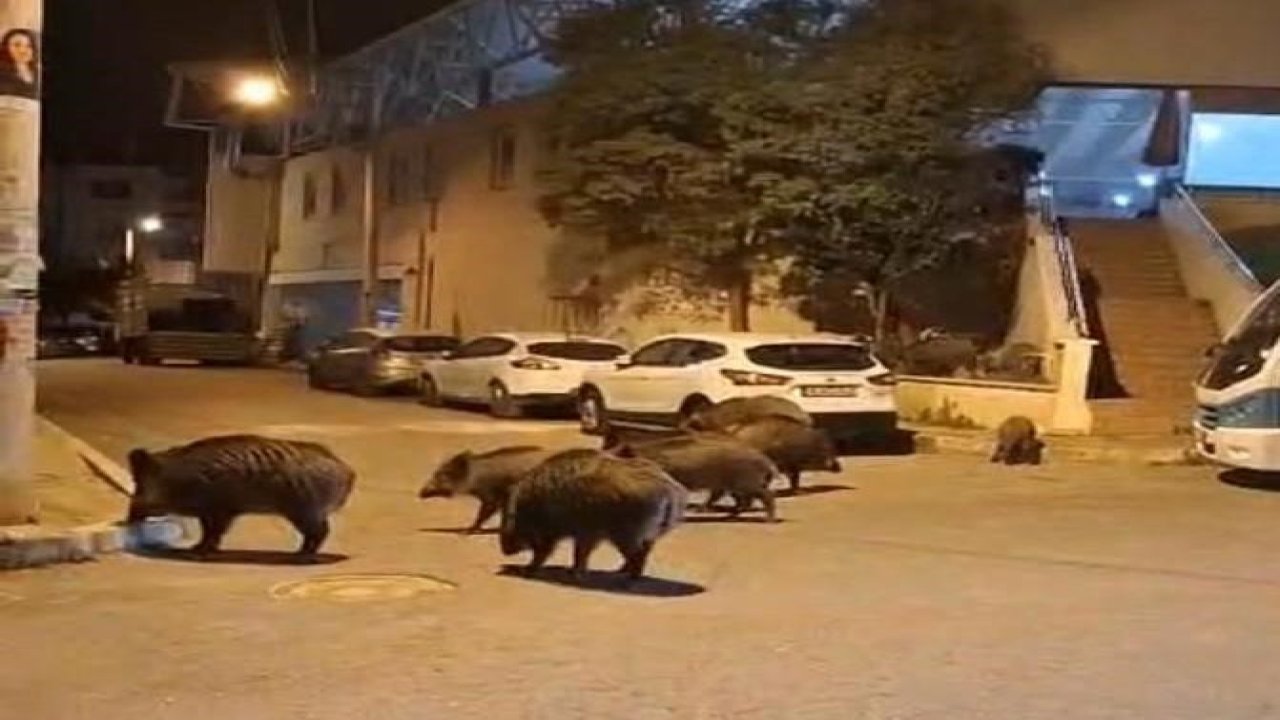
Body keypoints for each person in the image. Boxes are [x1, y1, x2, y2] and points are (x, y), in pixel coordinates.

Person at [0, 29, 39, 100]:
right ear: (6, 48)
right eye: (17, 45)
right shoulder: (2, 74)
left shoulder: (38, 73)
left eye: (29, 46)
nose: (23, 50)